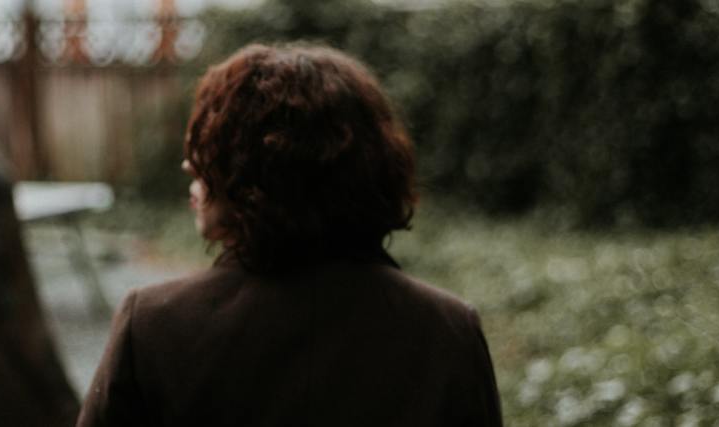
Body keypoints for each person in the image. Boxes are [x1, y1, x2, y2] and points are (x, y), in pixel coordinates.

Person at [77, 43, 503, 427]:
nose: (190, 166)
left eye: (212, 148)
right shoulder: (448, 330)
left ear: (257, 177)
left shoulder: (152, 326)